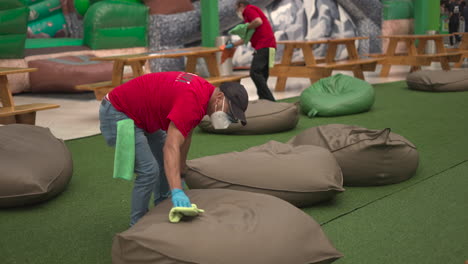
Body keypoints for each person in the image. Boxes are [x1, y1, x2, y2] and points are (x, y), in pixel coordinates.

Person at [99, 72, 248, 226]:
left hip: (143, 115)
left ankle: (163, 205)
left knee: (168, 164)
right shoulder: (192, 101)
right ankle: (137, 225)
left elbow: (186, 134)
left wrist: (181, 171)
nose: (229, 120)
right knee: (149, 170)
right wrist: (177, 190)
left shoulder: (204, 95)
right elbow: (171, 147)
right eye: (230, 114)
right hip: (118, 112)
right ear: (219, 98)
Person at [227, 0, 277, 102]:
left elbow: (258, 21)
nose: (238, 12)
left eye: (237, 9)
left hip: (264, 44)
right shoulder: (249, 17)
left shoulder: (249, 10)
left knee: (255, 72)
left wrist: (246, 27)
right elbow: (246, 38)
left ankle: (269, 99)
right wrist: (232, 45)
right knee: (262, 74)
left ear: (241, 5)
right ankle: (263, 99)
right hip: (269, 46)